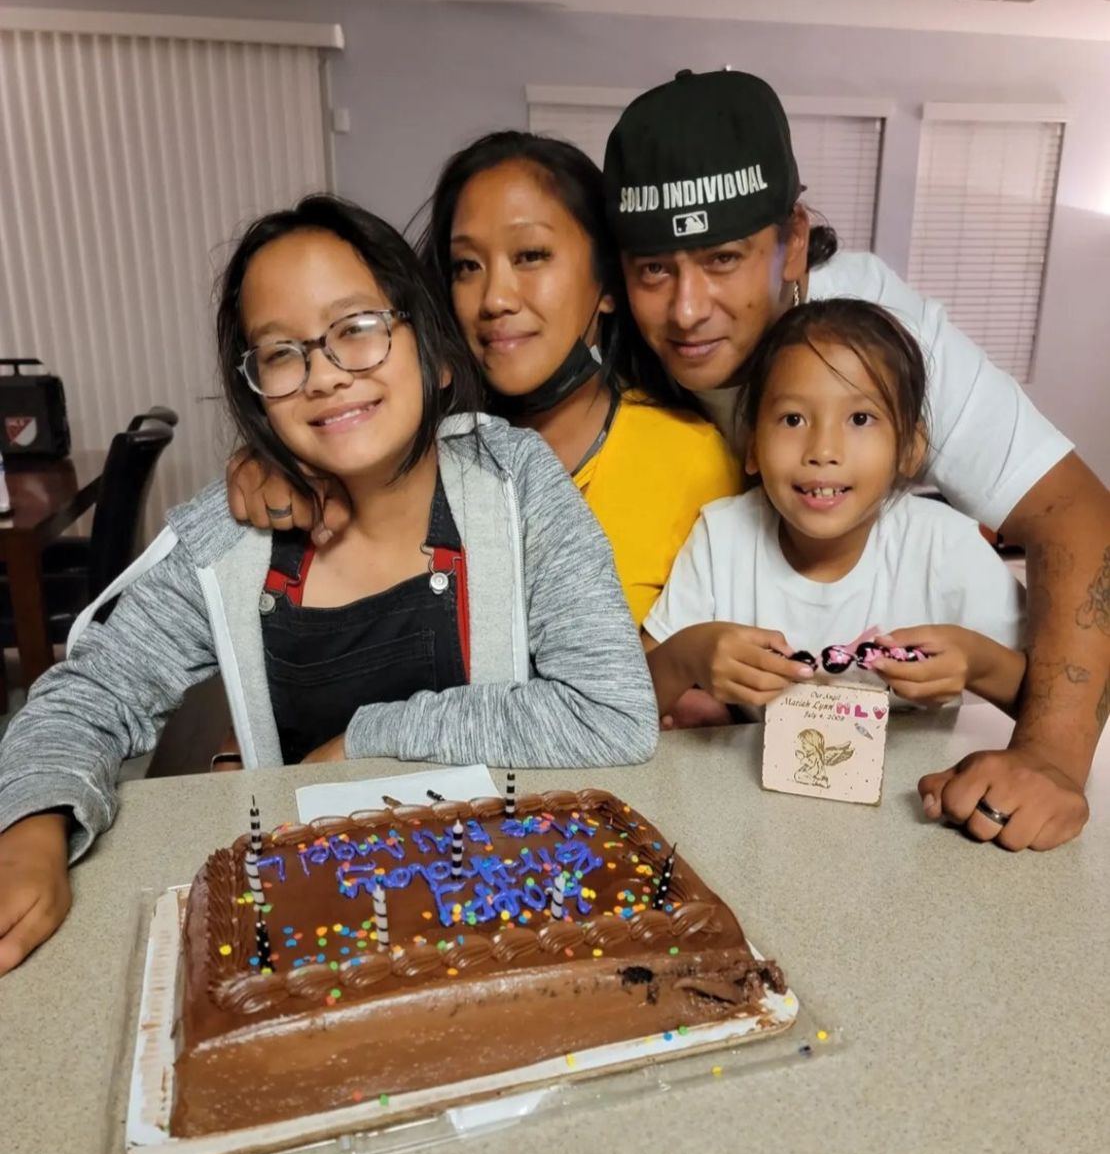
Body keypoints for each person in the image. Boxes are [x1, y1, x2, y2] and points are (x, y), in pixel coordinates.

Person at [0, 194, 657, 975]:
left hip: (508, 925)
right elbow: (88, 694)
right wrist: (33, 820)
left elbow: (611, 713)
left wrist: (364, 737)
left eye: (358, 329)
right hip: (319, 941)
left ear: (435, 351)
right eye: (282, 353)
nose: (325, 376)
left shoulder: (515, 487)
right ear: (257, 393)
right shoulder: (230, 542)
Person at [604, 68, 1109, 850]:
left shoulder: (880, 340)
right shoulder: (603, 357)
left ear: (794, 242)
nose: (687, 309)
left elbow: (1076, 511)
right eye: (654, 270)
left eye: (726, 259)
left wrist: (1048, 756)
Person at [229, 132, 740, 628]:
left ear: (607, 282)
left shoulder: (690, 462)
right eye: (467, 265)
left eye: (531, 256)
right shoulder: (405, 453)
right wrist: (276, 466)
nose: (495, 298)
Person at [644, 299, 1026, 727]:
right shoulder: (722, 537)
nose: (823, 451)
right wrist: (686, 657)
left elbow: (1062, 702)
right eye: (792, 420)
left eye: (860, 418)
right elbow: (623, 702)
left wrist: (979, 663)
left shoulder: (947, 546)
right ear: (752, 445)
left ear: (909, 449)